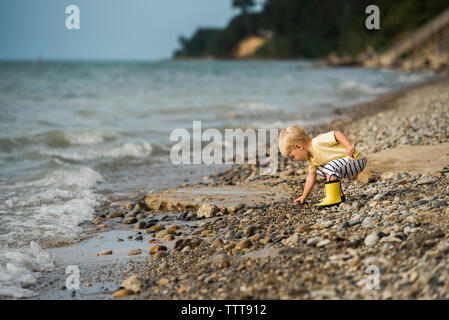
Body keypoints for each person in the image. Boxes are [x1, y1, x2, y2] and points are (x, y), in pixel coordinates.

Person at [278, 126, 367, 208]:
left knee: (329, 167)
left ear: (299, 146)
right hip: (347, 165)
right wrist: (303, 196)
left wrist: (348, 147)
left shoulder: (318, 142)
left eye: (293, 156)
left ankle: (333, 197)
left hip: (356, 160)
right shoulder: (312, 160)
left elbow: (337, 134)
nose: (294, 160)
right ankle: (337, 195)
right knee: (320, 169)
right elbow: (311, 177)